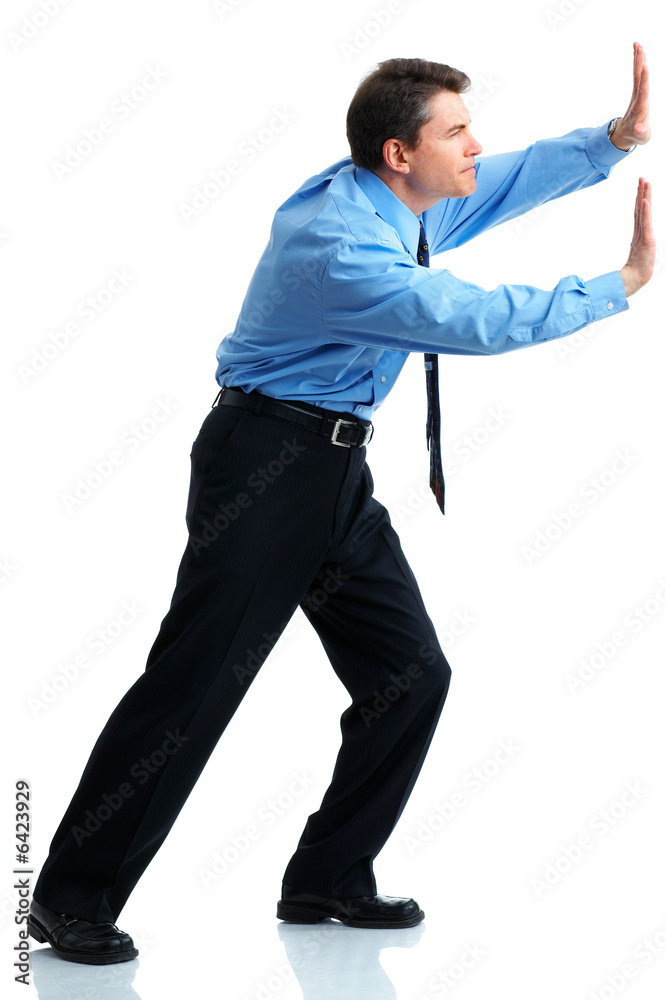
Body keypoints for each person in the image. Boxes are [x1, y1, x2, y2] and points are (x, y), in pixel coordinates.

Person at [29, 47, 653, 965]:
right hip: (266, 469)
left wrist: (609, 141)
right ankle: (66, 898)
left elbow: (501, 181)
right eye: (455, 132)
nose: (475, 146)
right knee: (195, 683)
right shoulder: (341, 247)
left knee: (410, 673)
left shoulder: (391, 197)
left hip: (334, 473)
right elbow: (467, 319)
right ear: (399, 153)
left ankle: (326, 877)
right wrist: (621, 286)